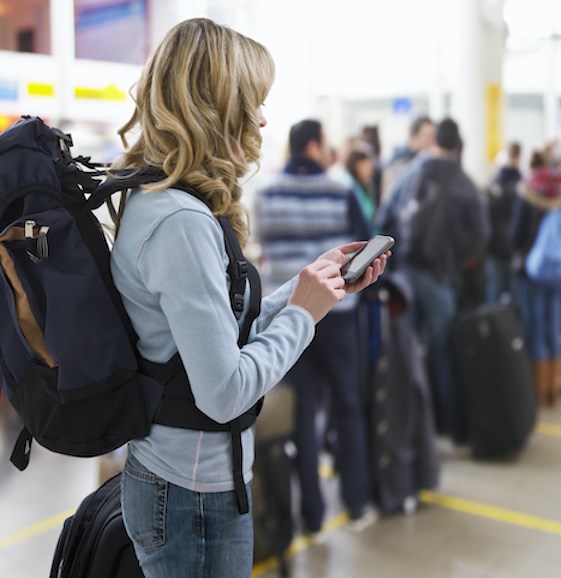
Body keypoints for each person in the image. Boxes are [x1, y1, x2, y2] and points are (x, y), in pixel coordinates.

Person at [109, 19, 386, 578]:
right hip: (190, 494)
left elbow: (220, 330)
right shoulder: (180, 221)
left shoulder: (165, 202)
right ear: (215, 105)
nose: (262, 118)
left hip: (190, 482)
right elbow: (224, 392)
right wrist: (305, 315)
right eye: (253, 102)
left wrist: (308, 286)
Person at [256, 119, 381, 541]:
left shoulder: (266, 193)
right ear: (312, 146)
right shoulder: (340, 188)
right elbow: (362, 247)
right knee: (347, 405)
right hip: (339, 316)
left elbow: (263, 249)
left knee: (303, 412)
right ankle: (358, 501)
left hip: (290, 315)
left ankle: (311, 515)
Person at [389, 118, 488, 446]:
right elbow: (480, 234)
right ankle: (447, 427)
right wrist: (457, 265)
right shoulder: (462, 181)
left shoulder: (409, 175)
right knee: (443, 351)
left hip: (403, 274)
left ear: (434, 144)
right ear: (458, 145)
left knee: (406, 353)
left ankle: (411, 429)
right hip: (438, 277)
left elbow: (385, 219)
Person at [511, 151, 561, 407]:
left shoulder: (528, 193)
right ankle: (553, 392)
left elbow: (515, 236)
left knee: (534, 329)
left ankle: (537, 394)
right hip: (557, 271)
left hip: (531, 271)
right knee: (553, 327)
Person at [486, 142, 524, 303]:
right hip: (515, 246)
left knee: (494, 291)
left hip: (495, 246)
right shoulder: (523, 184)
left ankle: (492, 327)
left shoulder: (494, 181)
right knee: (515, 294)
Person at [381, 115, 436, 204]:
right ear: (412, 137)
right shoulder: (397, 167)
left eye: (434, 137)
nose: (431, 142)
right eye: (427, 136)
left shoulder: (432, 166)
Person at [344, 140, 379, 230]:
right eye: (368, 163)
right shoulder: (348, 186)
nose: (371, 167)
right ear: (358, 164)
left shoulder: (366, 185)